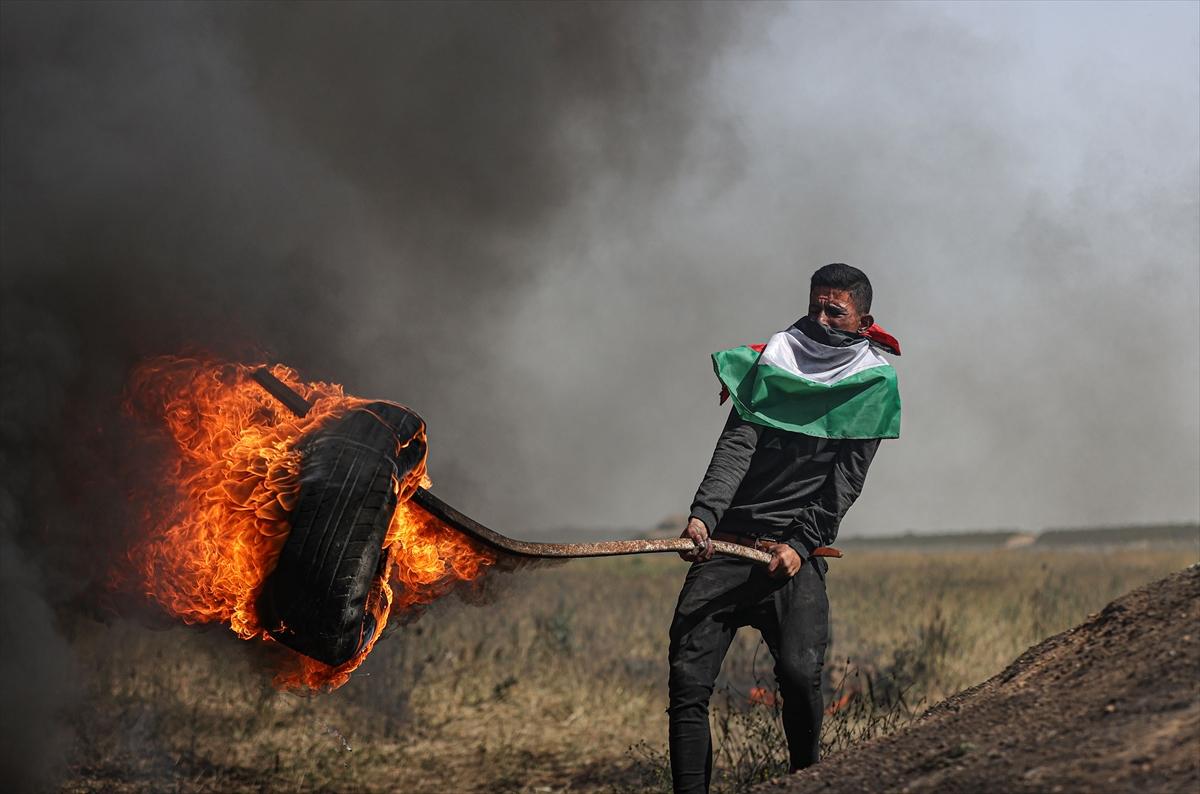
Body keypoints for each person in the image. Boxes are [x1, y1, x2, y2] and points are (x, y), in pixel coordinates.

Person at [667, 263, 901, 793]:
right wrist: (703, 516)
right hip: (727, 546)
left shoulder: (873, 384)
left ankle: (805, 782)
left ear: (863, 320)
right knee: (687, 683)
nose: (820, 319)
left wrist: (800, 543)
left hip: (794, 557)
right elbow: (734, 450)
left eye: (834, 311)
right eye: (815, 307)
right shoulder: (774, 360)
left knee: (799, 677)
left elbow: (845, 483)